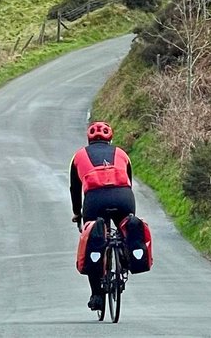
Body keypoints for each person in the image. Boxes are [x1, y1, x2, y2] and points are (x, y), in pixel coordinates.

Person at [70, 120, 135, 310]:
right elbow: (128, 182)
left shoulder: (79, 156)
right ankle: (126, 256)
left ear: (89, 139)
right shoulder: (122, 154)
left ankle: (97, 295)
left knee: (94, 242)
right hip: (124, 198)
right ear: (111, 138)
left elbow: (75, 190)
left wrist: (77, 213)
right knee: (127, 227)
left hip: (95, 200)